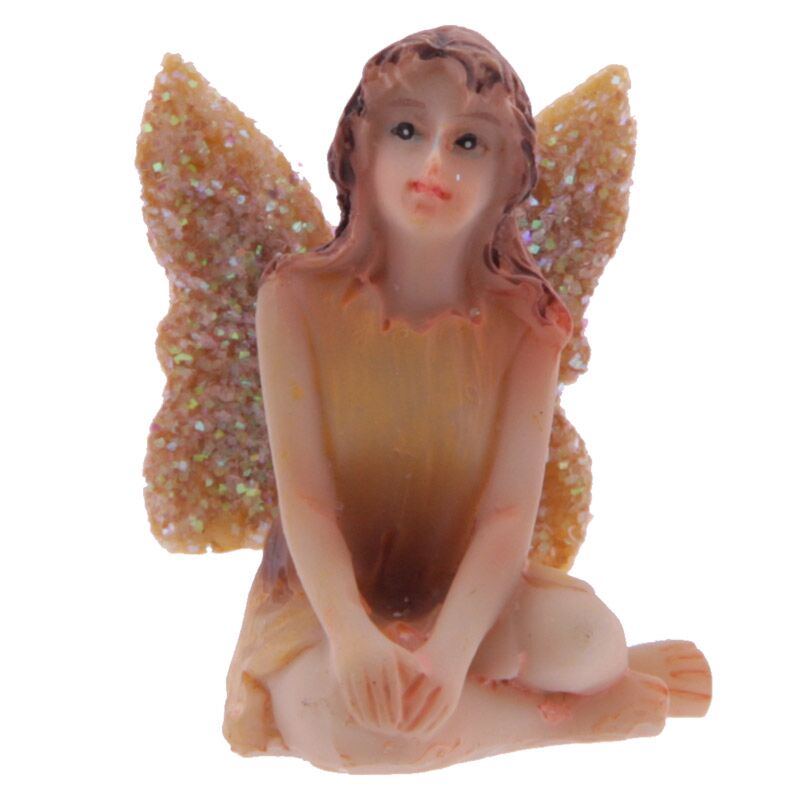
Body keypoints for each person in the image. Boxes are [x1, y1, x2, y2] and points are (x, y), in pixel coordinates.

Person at [223, 26, 704, 772]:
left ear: (507, 173)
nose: (434, 165)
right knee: (353, 730)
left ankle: (538, 684)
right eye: (408, 131)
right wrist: (354, 640)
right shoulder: (294, 300)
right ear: (361, 146)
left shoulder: (528, 322)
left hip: (471, 597)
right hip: (323, 606)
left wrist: (447, 653)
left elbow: (506, 515)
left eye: (469, 143)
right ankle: (574, 717)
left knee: (589, 641)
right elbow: (307, 504)